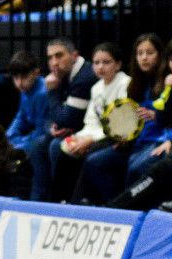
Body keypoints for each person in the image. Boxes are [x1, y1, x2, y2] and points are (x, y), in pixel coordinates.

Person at [77, 34, 171, 205]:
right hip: (136, 142)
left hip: (158, 141)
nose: (144, 57)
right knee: (95, 161)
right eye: (139, 53)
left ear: (160, 55)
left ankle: (125, 210)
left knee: (136, 168)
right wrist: (124, 137)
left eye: (149, 52)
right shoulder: (135, 84)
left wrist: (156, 117)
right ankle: (112, 205)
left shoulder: (167, 83)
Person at [50, 42, 129, 202]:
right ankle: (59, 201)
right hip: (95, 134)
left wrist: (90, 140)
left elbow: (120, 124)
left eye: (106, 62)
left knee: (91, 155)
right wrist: (79, 138)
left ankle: (78, 201)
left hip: (117, 136)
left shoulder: (125, 83)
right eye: (96, 63)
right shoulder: (96, 87)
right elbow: (91, 122)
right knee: (62, 148)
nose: (100, 67)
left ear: (118, 64)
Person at [32, 36, 96, 200]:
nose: (54, 62)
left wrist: (52, 92)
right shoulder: (61, 75)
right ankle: (39, 201)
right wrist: (50, 128)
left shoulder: (84, 77)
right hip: (73, 128)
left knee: (56, 146)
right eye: (50, 58)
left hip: (89, 131)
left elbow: (66, 120)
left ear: (74, 56)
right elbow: (51, 117)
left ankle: (60, 200)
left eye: (59, 55)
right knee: (39, 144)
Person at [5, 50, 50, 156]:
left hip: (45, 137)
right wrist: (7, 137)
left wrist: (18, 143)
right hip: (35, 135)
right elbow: (21, 116)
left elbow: (42, 130)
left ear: (36, 73)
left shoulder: (42, 93)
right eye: (16, 78)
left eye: (24, 77)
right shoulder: (26, 89)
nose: (19, 83)